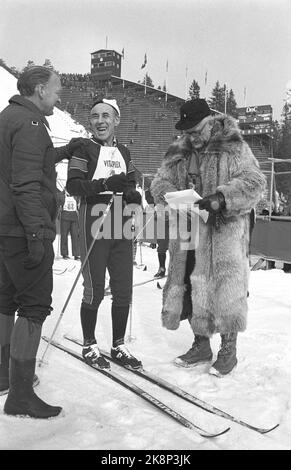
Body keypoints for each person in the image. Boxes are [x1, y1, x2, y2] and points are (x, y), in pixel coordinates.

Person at [151, 98, 266, 376]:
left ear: (209, 120)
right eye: (188, 131)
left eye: (196, 129)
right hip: (188, 231)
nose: (192, 135)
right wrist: (171, 195)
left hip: (223, 234)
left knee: (225, 289)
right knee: (190, 284)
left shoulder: (233, 144)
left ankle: (229, 351)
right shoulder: (179, 150)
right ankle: (201, 344)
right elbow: (158, 183)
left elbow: (255, 183)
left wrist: (222, 198)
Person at [0, 66, 80, 418]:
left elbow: (22, 166)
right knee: (33, 306)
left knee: (4, 299)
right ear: (38, 89)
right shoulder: (31, 125)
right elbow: (27, 185)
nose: (58, 96)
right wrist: (37, 233)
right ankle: (20, 394)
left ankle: (3, 374)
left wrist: (65, 151)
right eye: (55, 89)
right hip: (22, 229)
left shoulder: (10, 117)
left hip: (4, 228)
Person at [66, 98, 142, 370]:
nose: (100, 121)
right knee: (95, 288)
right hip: (94, 216)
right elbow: (72, 186)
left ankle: (118, 344)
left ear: (116, 120)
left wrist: (133, 195)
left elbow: (132, 184)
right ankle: (89, 343)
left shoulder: (124, 151)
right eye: (95, 116)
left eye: (106, 116)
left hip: (120, 219)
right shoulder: (84, 150)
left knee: (123, 288)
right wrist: (104, 183)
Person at [145, 187, 169, 278]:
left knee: (176, 247)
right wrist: (154, 203)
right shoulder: (157, 184)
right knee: (162, 246)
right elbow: (148, 195)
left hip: (175, 220)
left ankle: (176, 270)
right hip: (161, 220)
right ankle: (161, 268)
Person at [60, 191, 80, 260]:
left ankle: (76, 254)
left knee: (75, 236)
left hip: (74, 217)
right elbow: (59, 203)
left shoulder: (76, 196)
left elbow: (78, 205)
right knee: (64, 236)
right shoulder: (62, 196)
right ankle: (64, 253)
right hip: (65, 217)